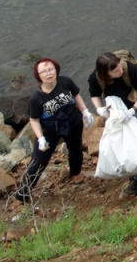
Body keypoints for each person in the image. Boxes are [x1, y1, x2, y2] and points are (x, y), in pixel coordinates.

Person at [15, 58, 92, 204]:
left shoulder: (65, 82)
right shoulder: (36, 97)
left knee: (76, 149)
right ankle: (22, 195)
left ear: (56, 69)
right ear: (38, 75)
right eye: (43, 71)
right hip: (49, 130)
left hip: (72, 122)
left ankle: (75, 173)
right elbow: (34, 119)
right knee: (38, 162)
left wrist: (85, 111)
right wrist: (41, 138)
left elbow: (76, 95)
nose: (48, 73)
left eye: (51, 69)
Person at [89, 52, 137, 195]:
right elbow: (94, 94)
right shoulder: (96, 78)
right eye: (116, 71)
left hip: (135, 107)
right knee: (121, 140)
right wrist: (99, 109)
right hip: (115, 112)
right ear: (106, 74)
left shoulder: (129, 70)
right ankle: (129, 166)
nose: (120, 71)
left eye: (120, 67)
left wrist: (133, 110)